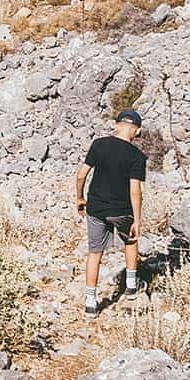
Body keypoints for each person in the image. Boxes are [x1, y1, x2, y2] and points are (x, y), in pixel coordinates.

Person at [74, 108, 147, 315]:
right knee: (130, 240)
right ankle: (131, 287)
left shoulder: (99, 144)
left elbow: (81, 175)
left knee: (95, 253)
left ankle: (90, 303)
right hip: (122, 211)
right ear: (138, 131)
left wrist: (80, 198)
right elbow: (135, 190)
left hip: (96, 208)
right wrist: (137, 220)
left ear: (116, 126)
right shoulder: (137, 156)